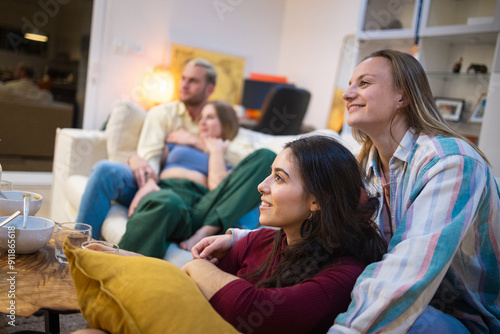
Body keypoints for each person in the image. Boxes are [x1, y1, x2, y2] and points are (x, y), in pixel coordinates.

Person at [196, 49, 500, 333]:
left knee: (408, 321)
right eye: (349, 84)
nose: (347, 93)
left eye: (364, 83)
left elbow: (408, 270)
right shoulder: (367, 162)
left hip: (462, 315)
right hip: (407, 292)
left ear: (402, 96)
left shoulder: (450, 162)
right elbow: (329, 227)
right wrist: (239, 239)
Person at [76, 135, 387, 334]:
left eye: (278, 178)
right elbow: (185, 284)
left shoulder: (345, 273)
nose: (262, 186)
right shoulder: (262, 241)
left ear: (318, 200)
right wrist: (121, 259)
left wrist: (198, 265)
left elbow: (257, 312)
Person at [76, 57, 217, 240]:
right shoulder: (163, 113)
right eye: (183, 78)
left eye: (193, 81)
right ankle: (79, 245)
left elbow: (233, 154)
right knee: (106, 170)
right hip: (152, 180)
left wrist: (196, 142)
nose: (184, 85)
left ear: (210, 89)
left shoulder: (215, 119)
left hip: (191, 193)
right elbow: (150, 154)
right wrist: (149, 181)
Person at [117, 101, 275, 257]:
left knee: (267, 156)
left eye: (210, 117)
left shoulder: (231, 155)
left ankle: (208, 229)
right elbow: (150, 161)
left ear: (225, 122)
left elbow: (216, 185)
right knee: (166, 200)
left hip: (202, 209)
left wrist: (215, 151)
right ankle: (117, 269)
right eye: (202, 117)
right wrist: (133, 158)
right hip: (167, 194)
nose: (202, 122)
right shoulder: (180, 141)